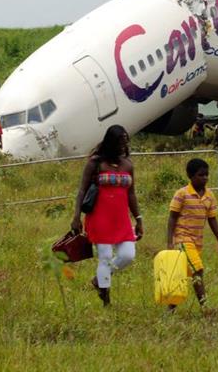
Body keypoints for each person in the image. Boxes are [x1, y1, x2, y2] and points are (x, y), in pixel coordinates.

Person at [71, 125, 143, 307]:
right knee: (104, 257)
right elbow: (82, 191)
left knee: (128, 255)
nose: (123, 145)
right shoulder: (95, 163)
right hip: (99, 217)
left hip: (121, 219)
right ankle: (106, 299)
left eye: (125, 142)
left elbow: (131, 194)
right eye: (120, 142)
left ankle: (99, 279)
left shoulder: (127, 165)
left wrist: (139, 219)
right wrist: (76, 216)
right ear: (111, 142)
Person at [166, 158, 218, 308]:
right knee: (198, 270)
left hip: (197, 242)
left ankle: (170, 310)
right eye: (201, 175)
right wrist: (170, 241)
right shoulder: (182, 194)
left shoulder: (209, 196)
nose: (205, 178)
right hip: (182, 240)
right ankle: (205, 308)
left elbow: (212, 220)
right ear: (191, 176)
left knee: (182, 275)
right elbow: (172, 218)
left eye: (206, 175)